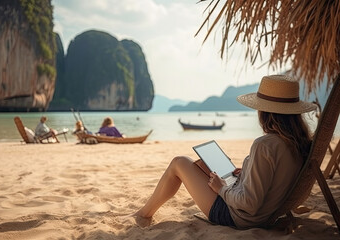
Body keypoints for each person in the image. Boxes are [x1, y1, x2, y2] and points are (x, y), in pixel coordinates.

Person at [133, 75, 317, 229]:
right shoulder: (299, 143)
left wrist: (221, 188)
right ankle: (145, 213)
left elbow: (249, 204)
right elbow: (277, 177)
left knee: (179, 163)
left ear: (265, 112)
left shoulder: (265, 145)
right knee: (202, 165)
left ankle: (143, 215)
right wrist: (247, 174)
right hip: (266, 213)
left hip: (240, 217)